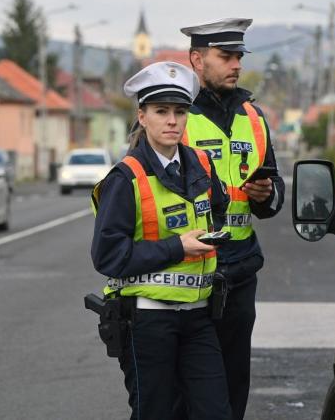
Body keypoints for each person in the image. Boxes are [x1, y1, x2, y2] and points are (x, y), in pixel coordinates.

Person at [90, 61, 231, 420]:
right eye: (161, 111)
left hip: (198, 318)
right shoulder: (126, 178)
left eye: (180, 111)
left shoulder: (200, 163)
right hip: (148, 323)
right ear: (142, 116)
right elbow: (108, 256)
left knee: (215, 412)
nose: (172, 120)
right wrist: (177, 247)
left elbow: (216, 208)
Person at [177, 18, 285, 420]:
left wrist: (266, 194)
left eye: (238, 56)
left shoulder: (253, 117)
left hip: (240, 271)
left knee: (233, 380)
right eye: (225, 56)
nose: (236, 64)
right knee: (187, 384)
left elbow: (272, 184)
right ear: (197, 59)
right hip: (189, 270)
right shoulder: (175, 115)